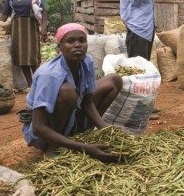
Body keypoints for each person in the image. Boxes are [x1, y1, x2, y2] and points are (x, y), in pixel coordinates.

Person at [21, 23, 124, 162]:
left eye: (82, 40)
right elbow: (38, 127)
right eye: (70, 41)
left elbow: (88, 103)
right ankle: (54, 147)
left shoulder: (87, 62)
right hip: (44, 132)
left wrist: (105, 130)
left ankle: (82, 135)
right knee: (68, 92)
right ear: (60, 47)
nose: (77, 45)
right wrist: (84, 148)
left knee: (114, 80)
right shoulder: (49, 74)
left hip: (73, 117)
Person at [120, 0, 161, 118]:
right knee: (137, 70)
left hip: (145, 26)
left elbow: (147, 3)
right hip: (137, 27)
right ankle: (138, 109)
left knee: (145, 68)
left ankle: (145, 104)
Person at [0, 0, 47, 87]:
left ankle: (39, 82)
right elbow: (5, 15)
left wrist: (44, 28)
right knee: (21, 57)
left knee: (33, 56)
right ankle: (31, 84)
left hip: (31, 26)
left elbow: (43, 11)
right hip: (17, 28)